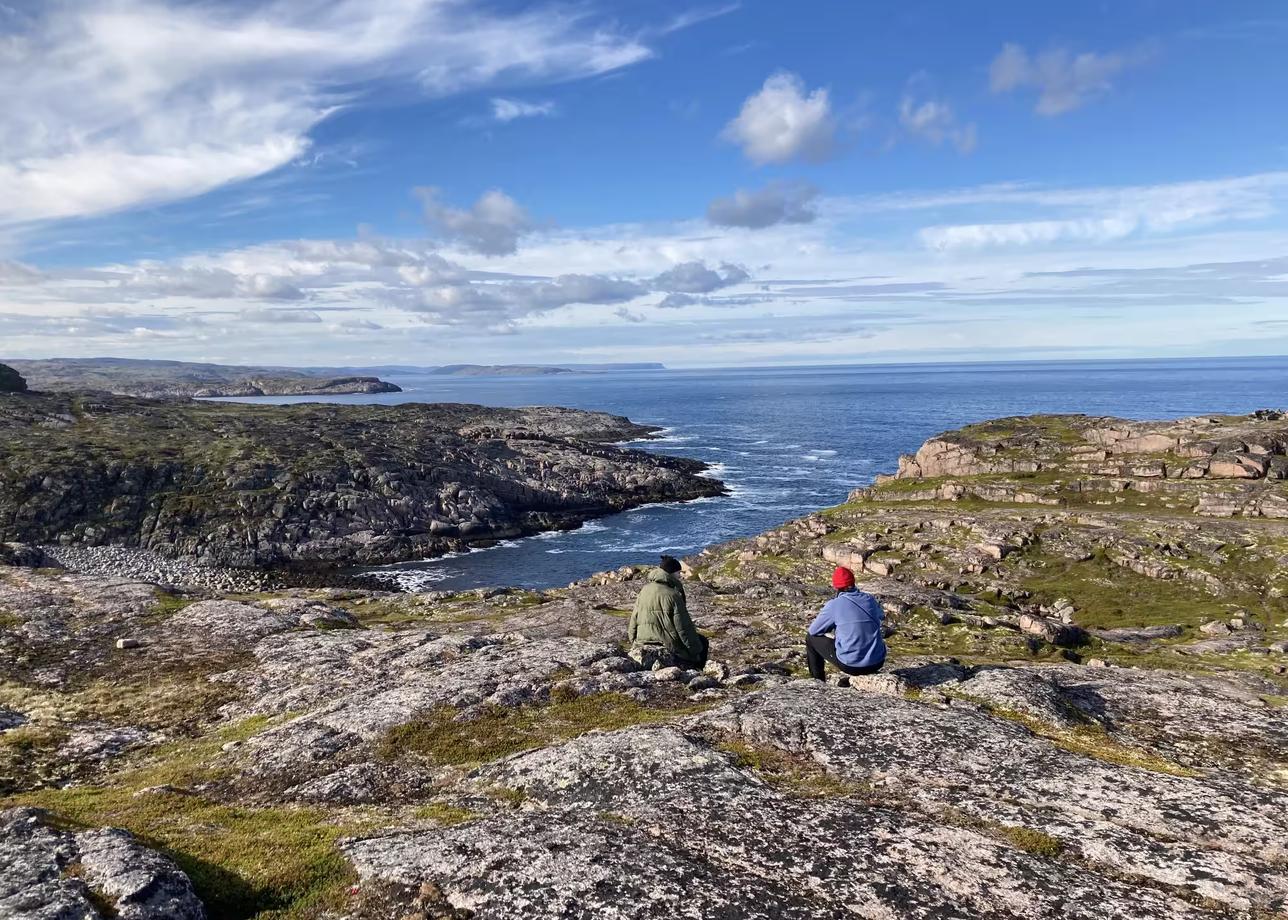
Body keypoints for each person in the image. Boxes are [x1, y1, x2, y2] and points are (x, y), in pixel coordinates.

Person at [628, 554, 709, 668]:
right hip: (666, 642)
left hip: (642, 639)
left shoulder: (644, 590)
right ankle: (696, 672)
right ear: (672, 573)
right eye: (679, 572)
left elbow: (634, 618)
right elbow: (683, 628)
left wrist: (633, 641)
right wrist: (695, 650)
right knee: (703, 642)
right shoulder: (673, 595)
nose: (680, 576)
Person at [806, 566, 886, 680]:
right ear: (853, 582)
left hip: (850, 665)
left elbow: (813, 630)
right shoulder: (869, 599)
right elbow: (881, 616)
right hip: (877, 662)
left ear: (836, 586)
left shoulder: (835, 604)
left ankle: (818, 682)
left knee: (810, 639)